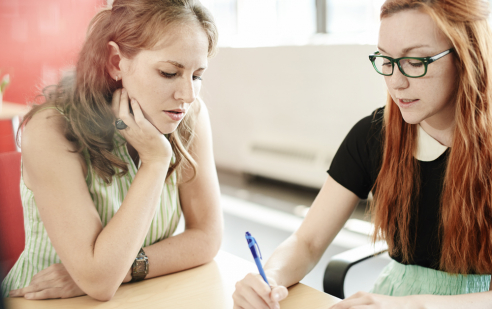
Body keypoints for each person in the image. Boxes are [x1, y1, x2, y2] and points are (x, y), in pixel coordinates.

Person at [233, 0, 492, 308]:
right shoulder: (374, 135)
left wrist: (413, 306)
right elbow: (307, 242)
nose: (396, 81)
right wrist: (268, 279)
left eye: (416, 61)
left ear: (466, 55)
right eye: (386, 59)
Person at [1, 0, 222, 301]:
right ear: (116, 62)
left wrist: (127, 268)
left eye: (197, 75)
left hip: (140, 297)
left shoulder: (189, 114)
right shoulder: (50, 130)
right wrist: (155, 162)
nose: (187, 95)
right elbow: (100, 283)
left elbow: (207, 237)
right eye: (169, 73)